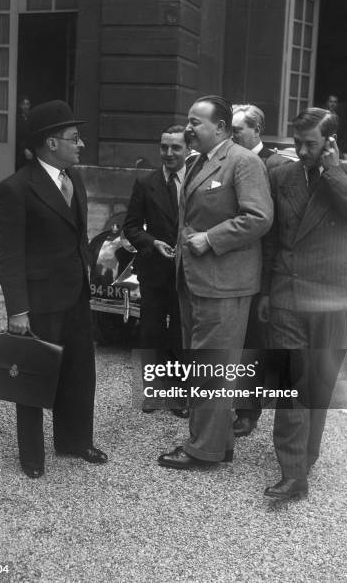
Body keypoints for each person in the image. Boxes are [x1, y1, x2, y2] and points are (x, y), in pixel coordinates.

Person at [258, 107, 347, 499]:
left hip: (334, 295)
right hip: (289, 291)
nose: (302, 150)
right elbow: (271, 238)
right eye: (297, 142)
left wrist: (332, 172)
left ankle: (306, 454)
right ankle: (293, 473)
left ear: (330, 142)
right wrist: (266, 292)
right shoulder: (282, 174)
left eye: (310, 144)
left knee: (321, 383)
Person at [158, 95, 273, 470]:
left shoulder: (243, 161)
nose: (189, 128)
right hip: (196, 281)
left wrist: (211, 238)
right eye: (188, 121)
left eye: (196, 122)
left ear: (221, 127)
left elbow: (259, 217)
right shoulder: (199, 162)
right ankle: (217, 443)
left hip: (224, 285)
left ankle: (202, 450)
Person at [0, 100, 107, 479]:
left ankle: (75, 441)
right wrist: (17, 311)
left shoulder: (73, 178)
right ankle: (31, 455)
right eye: (74, 139)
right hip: (39, 301)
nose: (81, 145)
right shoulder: (15, 189)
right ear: (51, 143)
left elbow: (78, 236)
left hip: (75, 292)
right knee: (33, 375)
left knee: (79, 371)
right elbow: (8, 254)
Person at [231, 104, 290, 437]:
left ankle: (248, 412)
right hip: (233, 265)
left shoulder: (276, 165)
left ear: (256, 129)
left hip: (264, 268)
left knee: (254, 341)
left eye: (238, 129)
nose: (233, 135)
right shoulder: (229, 161)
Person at [123, 125, 189, 418]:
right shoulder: (145, 183)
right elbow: (131, 227)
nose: (169, 153)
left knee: (179, 331)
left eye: (176, 147)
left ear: (187, 149)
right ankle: (151, 391)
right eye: (164, 147)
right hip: (154, 270)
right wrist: (152, 242)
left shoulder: (197, 182)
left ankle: (177, 395)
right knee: (150, 331)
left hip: (187, 272)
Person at [15, 95, 33, 169]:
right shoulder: (17, 119)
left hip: (32, 150)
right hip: (20, 150)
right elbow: (16, 135)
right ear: (20, 106)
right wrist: (24, 149)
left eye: (27, 104)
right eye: (23, 104)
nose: (25, 106)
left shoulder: (33, 118)